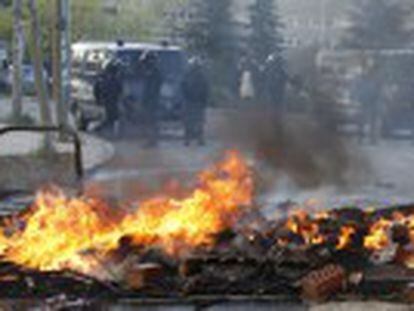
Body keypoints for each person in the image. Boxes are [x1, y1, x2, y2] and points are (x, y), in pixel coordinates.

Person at [182, 57, 209, 146]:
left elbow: (205, 90)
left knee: (195, 122)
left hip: (195, 102)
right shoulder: (190, 76)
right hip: (192, 102)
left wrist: (203, 101)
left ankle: (194, 139)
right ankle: (191, 139)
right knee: (193, 122)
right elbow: (183, 88)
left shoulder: (192, 76)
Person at [93, 60, 123, 135]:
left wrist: (98, 100)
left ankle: (111, 132)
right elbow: (96, 91)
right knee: (110, 118)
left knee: (113, 118)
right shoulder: (104, 80)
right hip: (108, 102)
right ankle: (101, 130)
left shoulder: (104, 79)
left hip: (109, 102)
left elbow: (120, 91)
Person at [140, 51, 162, 147]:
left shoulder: (154, 73)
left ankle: (152, 141)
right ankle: (152, 140)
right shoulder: (153, 72)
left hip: (152, 101)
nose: (144, 65)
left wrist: (146, 100)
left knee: (151, 120)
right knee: (150, 120)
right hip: (152, 100)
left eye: (146, 62)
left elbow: (151, 89)